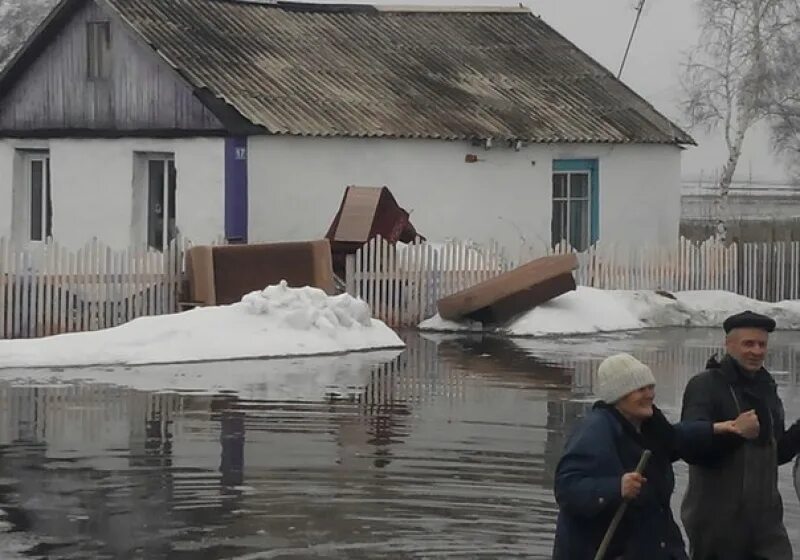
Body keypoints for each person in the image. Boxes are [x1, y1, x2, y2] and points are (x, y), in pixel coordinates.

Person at [552, 352, 758, 560]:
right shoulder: (595, 431)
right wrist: (616, 487)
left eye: (651, 387)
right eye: (640, 389)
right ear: (618, 394)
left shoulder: (649, 426)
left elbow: (676, 438)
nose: (650, 394)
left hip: (655, 545)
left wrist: (719, 428)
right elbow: (567, 488)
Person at [680, 310, 800, 560]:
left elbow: (777, 454)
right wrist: (734, 432)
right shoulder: (706, 385)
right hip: (717, 527)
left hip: (767, 526)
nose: (756, 351)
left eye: (762, 344)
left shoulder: (766, 388)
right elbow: (689, 447)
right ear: (728, 344)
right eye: (749, 344)